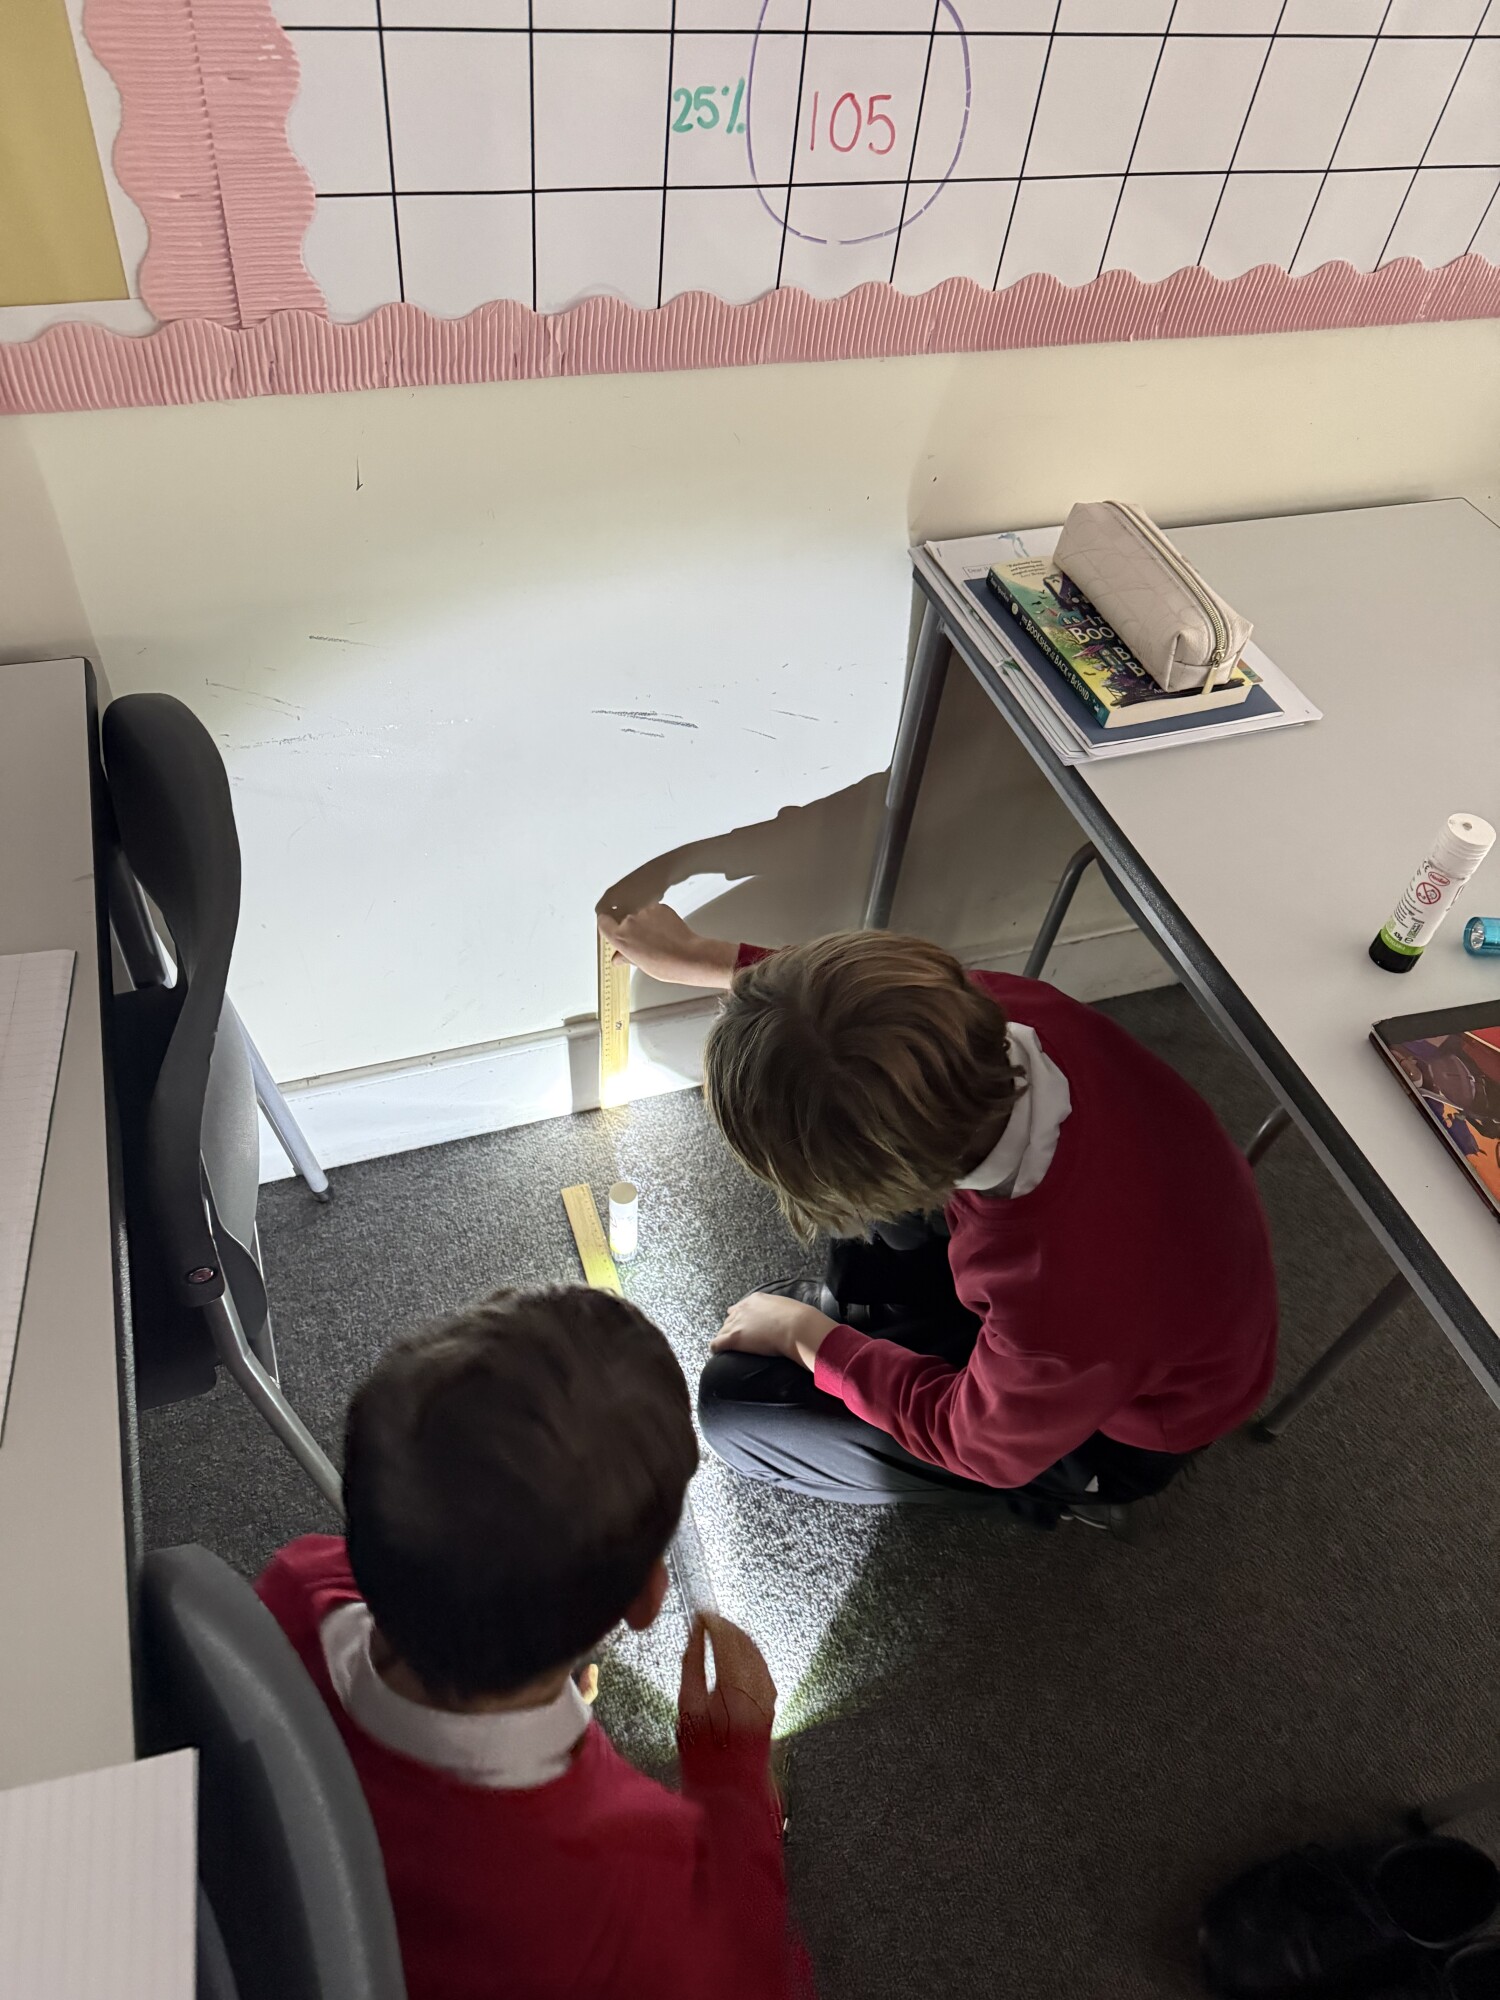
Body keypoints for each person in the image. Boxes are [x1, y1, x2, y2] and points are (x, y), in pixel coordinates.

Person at [597, 902, 1278, 1521]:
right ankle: (902, 1325)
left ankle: (1073, 1493)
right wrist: (709, 958)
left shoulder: (1057, 1300)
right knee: (847, 1284)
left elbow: (973, 1443)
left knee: (733, 1404)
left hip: (1124, 1421)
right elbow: (848, 1017)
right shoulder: (990, 1009)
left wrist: (809, 1339)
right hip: (1116, 1286)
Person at [256, 1286, 809, 2000]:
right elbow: (748, 1971)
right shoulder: (637, 1878)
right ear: (648, 1600)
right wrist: (732, 1781)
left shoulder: (293, 1589)